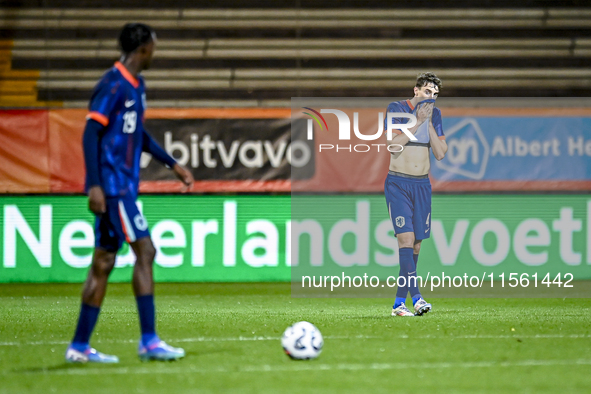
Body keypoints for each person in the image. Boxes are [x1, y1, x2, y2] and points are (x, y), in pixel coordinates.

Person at [65, 23, 194, 363]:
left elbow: (138, 134)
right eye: (154, 45)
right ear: (144, 49)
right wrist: (94, 184)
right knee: (146, 250)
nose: (156, 51)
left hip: (121, 186)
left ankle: (79, 347)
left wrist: (172, 164)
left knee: (104, 262)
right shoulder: (113, 84)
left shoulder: (137, 85)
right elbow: (90, 133)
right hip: (114, 187)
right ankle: (149, 341)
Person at [385, 72, 448, 317]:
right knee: (406, 240)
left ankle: (399, 303)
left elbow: (441, 153)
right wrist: (418, 122)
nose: (431, 97)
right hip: (398, 184)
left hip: (422, 185)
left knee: (417, 246)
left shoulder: (436, 115)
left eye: (435, 94)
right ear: (416, 90)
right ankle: (418, 298)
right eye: (427, 92)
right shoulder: (396, 108)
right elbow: (392, 145)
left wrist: (429, 122)